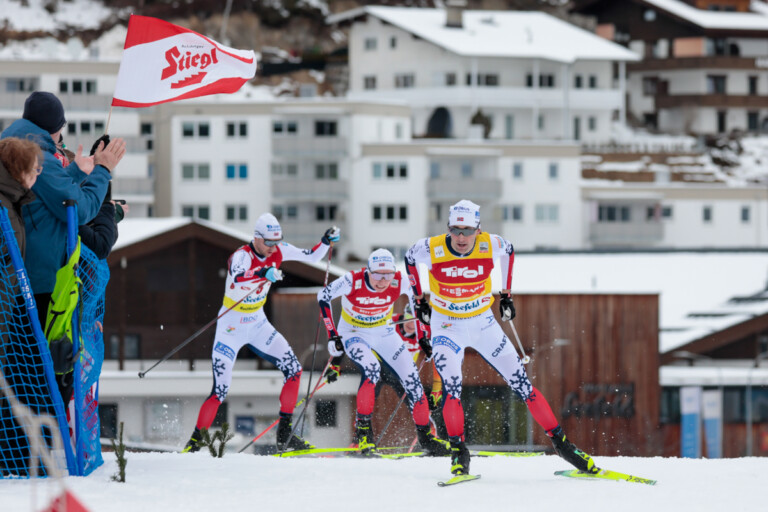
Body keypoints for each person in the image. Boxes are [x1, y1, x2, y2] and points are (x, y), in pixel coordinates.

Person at [404, 199, 597, 476]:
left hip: (482, 322)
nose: (461, 237)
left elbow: (510, 251)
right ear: (448, 228)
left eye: (467, 230)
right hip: (447, 325)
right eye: (455, 230)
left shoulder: (490, 244)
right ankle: (459, 453)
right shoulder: (431, 248)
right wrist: (419, 298)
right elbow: (410, 258)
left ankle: (563, 445)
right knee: (453, 388)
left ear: (478, 228)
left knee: (522, 384)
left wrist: (506, 294)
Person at [183, 213, 340, 453]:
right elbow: (237, 278)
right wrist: (262, 273)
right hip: (231, 327)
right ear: (256, 238)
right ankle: (193, 446)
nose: (272, 248)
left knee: (294, 369)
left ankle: (285, 436)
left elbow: (311, 256)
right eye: (268, 242)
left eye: (277, 242)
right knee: (220, 390)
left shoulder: (278, 250)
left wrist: (326, 242)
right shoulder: (241, 256)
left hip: (257, 323)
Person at [0, 91, 126, 327]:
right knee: (44, 361)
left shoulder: (18, 148)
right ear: (55, 128)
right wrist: (103, 170)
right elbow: (80, 209)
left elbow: (41, 194)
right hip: (39, 283)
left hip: (20, 278)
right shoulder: (40, 158)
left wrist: (76, 171)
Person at [317, 248, 450, 456]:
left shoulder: (399, 280)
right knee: (372, 369)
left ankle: (426, 438)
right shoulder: (353, 280)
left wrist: (423, 335)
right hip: (354, 332)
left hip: (383, 331)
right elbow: (322, 296)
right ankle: (363, 433)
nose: (383, 281)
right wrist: (332, 334)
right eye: (378, 275)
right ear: (368, 271)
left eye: (387, 275)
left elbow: (417, 299)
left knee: (412, 379)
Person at [0, 137, 42, 257]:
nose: (36, 175)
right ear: (21, 170)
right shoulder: (4, 204)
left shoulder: (11, 200)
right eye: (35, 169)